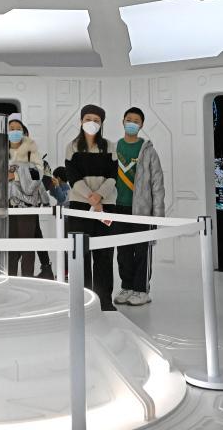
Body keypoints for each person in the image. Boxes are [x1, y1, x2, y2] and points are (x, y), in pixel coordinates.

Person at [65, 104, 119, 310]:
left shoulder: (110, 146)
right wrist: (90, 197)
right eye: (88, 119)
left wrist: (100, 196)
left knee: (104, 254)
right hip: (79, 205)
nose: (92, 123)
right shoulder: (71, 147)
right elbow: (72, 176)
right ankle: (83, 301)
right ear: (81, 121)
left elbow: (113, 176)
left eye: (97, 120)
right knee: (81, 254)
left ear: (102, 123)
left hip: (106, 205)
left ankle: (104, 301)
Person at [112, 108, 166, 307]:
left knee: (142, 251)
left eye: (136, 121)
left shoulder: (148, 151)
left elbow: (157, 184)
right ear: (122, 121)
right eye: (129, 120)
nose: (132, 123)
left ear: (141, 125)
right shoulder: (114, 147)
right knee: (123, 251)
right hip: (118, 208)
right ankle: (127, 286)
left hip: (142, 211)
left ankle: (142, 290)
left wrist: (157, 215)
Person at [7, 115, 47, 277]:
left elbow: (37, 174)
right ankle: (9, 278)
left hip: (27, 204)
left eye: (18, 129)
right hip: (8, 205)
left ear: (24, 132)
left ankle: (28, 279)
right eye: (11, 129)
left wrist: (16, 175)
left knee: (27, 245)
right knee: (10, 247)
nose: (15, 132)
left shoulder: (31, 151)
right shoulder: (1, 151)